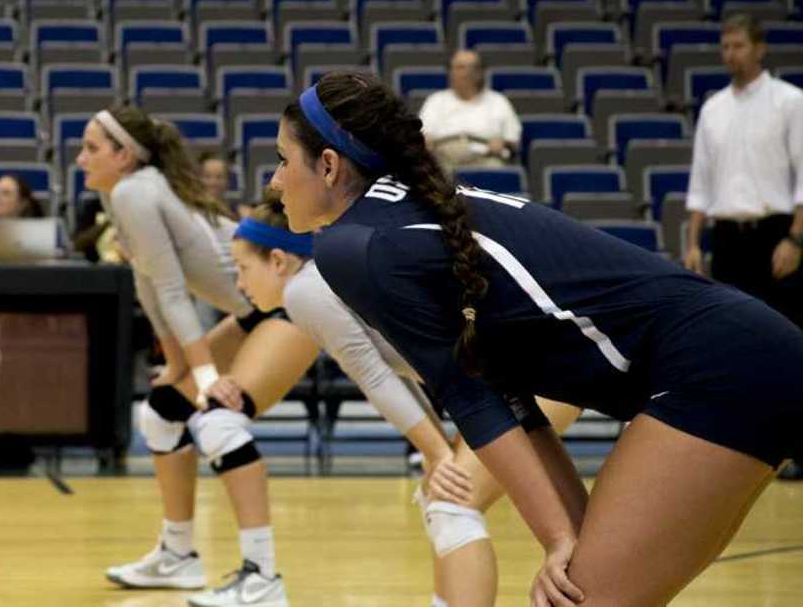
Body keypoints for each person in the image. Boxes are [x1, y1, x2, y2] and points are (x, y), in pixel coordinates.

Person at [271, 70, 803, 606]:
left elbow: (470, 398)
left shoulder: (353, 246)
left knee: (574, 597)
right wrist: (566, 536)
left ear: (329, 165)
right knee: (578, 590)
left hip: (718, 369)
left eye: (282, 160)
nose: (274, 182)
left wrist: (558, 539)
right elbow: (509, 400)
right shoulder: (408, 209)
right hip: (749, 352)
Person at [232, 198, 583, 607]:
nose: (238, 282)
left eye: (242, 268)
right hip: (537, 376)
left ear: (277, 260)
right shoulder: (322, 280)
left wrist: (436, 454)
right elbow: (399, 374)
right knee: (450, 504)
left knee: (453, 506)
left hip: (538, 379)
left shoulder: (305, 290)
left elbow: (374, 377)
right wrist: (434, 451)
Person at [81, 105, 314, 605]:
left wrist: (204, 373)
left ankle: (263, 576)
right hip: (256, 307)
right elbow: (149, 288)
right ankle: (178, 555)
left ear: (124, 156)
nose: (80, 158)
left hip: (291, 300)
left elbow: (170, 290)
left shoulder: (134, 192)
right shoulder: (125, 194)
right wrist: (181, 366)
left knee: (217, 421)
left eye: (92, 148)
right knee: (162, 414)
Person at [684, 13, 803, 327]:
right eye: (725, 47)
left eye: (738, 45)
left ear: (759, 49)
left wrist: (796, 240)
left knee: (785, 329)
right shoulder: (712, 109)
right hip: (726, 241)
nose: (730, 54)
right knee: (734, 332)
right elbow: (701, 184)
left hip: (775, 235)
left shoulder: (790, 101)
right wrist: (693, 245)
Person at [418, 50, 521, 171]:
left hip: (485, 156)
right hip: (444, 157)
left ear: (479, 72)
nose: (457, 72)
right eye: (456, 67)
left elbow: (513, 139)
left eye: (466, 68)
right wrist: (425, 140)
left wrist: (503, 143)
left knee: (496, 167)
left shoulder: (498, 101)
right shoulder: (436, 100)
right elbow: (422, 135)